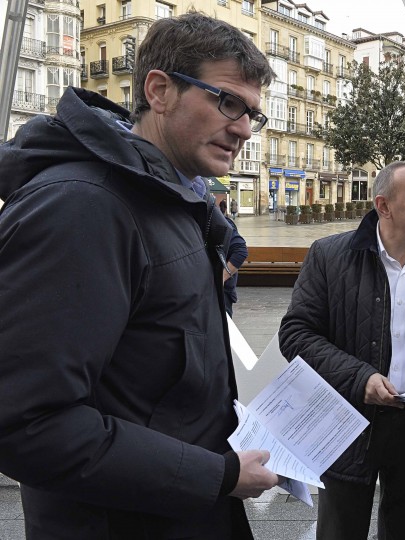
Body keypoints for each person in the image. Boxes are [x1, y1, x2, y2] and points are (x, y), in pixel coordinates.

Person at [0, 13, 279, 538]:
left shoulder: (173, 202)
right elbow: (26, 422)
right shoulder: (83, 208)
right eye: (227, 101)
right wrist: (216, 473)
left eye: (252, 114)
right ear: (160, 90)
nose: (243, 127)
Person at [278, 161, 405, 540]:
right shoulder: (329, 256)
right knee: (340, 528)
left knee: (401, 527)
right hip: (346, 420)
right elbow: (296, 334)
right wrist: (360, 378)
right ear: (383, 206)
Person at [220, 199, 248, 316]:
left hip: (222, 293)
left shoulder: (218, 222)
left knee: (225, 329)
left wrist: (220, 279)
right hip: (208, 292)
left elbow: (240, 251)